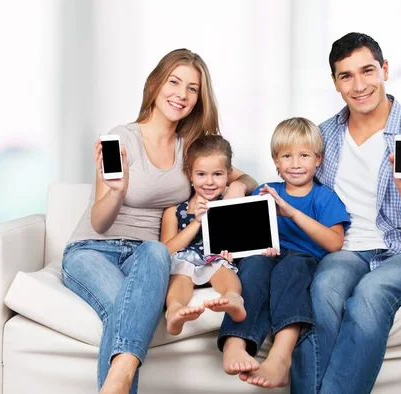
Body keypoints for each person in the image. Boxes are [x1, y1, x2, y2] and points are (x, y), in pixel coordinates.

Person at [60, 49, 257, 394]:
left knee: (154, 251)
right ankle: (118, 384)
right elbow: (99, 222)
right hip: (93, 249)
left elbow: (246, 179)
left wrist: (237, 186)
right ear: (155, 84)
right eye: (174, 82)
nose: (181, 95)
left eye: (192, 89)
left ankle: (114, 385)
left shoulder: (191, 147)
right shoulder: (121, 138)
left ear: (199, 98)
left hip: (150, 256)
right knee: (127, 310)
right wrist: (118, 192)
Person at [290, 33, 401, 394]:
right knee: (324, 288)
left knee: (370, 293)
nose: (359, 85)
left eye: (367, 71)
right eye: (346, 75)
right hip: (348, 249)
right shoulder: (322, 138)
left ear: (384, 70)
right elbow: (291, 180)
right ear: (335, 83)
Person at [218, 117, 351, 389]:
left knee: (291, 270)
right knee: (254, 265)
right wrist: (232, 250)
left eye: (304, 155)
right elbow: (246, 236)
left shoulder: (324, 197)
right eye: (287, 156)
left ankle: (281, 356)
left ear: (319, 160)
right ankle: (234, 342)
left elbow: (335, 242)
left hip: (303, 260)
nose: (295, 163)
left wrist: (292, 212)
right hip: (268, 255)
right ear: (276, 161)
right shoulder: (266, 191)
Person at [161, 135, 247, 336]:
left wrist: (234, 254)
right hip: (185, 260)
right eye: (201, 174)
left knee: (222, 267)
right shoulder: (175, 210)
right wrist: (197, 221)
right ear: (189, 174)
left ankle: (233, 298)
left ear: (228, 175)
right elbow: (166, 250)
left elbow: (241, 239)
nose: (209, 182)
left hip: (216, 258)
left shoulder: (231, 202)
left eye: (217, 174)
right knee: (181, 272)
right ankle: (174, 310)